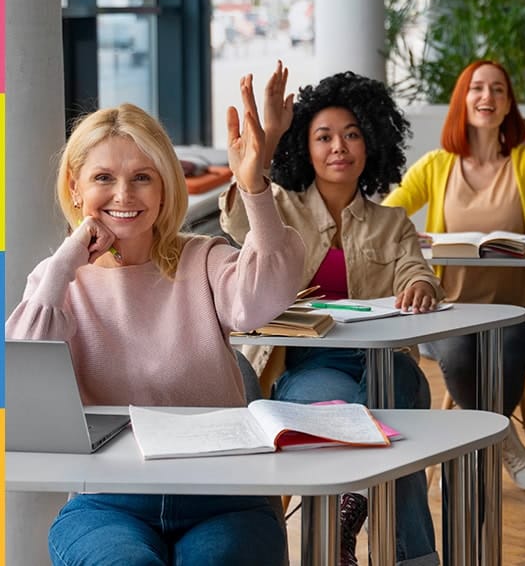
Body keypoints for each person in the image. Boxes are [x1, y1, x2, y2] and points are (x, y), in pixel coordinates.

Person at [6, 78, 305, 565]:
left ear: (165, 188)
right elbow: (27, 361)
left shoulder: (204, 260)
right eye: (103, 177)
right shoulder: (56, 283)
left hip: (222, 499)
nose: (124, 193)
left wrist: (253, 185)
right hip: (106, 502)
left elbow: (266, 295)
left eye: (143, 176)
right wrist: (65, 262)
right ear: (75, 189)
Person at [220, 63, 442, 566]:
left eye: (352, 134)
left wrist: (420, 285)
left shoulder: (393, 222)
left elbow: (417, 270)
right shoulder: (277, 206)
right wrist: (260, 154)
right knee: (390, 431)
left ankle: (343, 526)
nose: (339, 146)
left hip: (385, 364)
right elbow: (237, 222)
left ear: (372, 144)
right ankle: (408, 556)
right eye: (323, 137)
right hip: (309, 368)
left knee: (395, 402)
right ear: (307, 148)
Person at [382, 29, 525, 494]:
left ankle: (482, 441)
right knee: (459, 352)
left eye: (498, 89)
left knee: (506, 349)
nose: (486, 95)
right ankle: (501, 438)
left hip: (519, 313)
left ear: (508, 105)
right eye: (476, 87)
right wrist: (413, 233)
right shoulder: (436, 166)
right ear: (462, 101)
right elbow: (386, 214)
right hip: (451, 311)